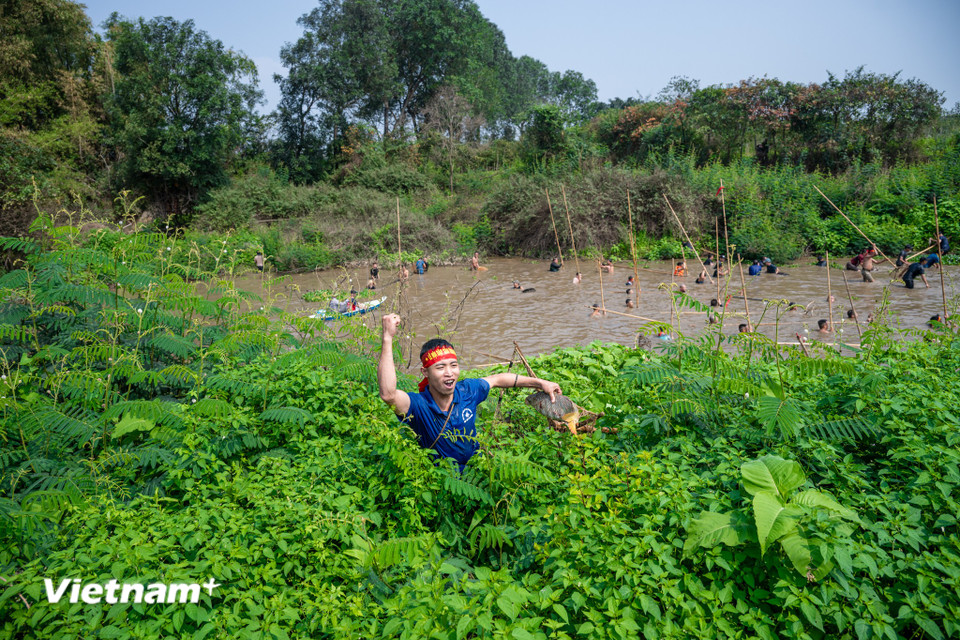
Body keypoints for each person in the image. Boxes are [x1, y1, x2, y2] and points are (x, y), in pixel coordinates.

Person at [377, 315, 562, 471]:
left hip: (477, 473)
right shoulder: (418, 406)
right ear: (426, 373)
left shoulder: (467, 391)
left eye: (453, 365)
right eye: (440, 367)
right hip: (442, 482)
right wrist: (387, 338)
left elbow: (497, 379)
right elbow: (388, 395)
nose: (449, 372)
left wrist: (540, 383)